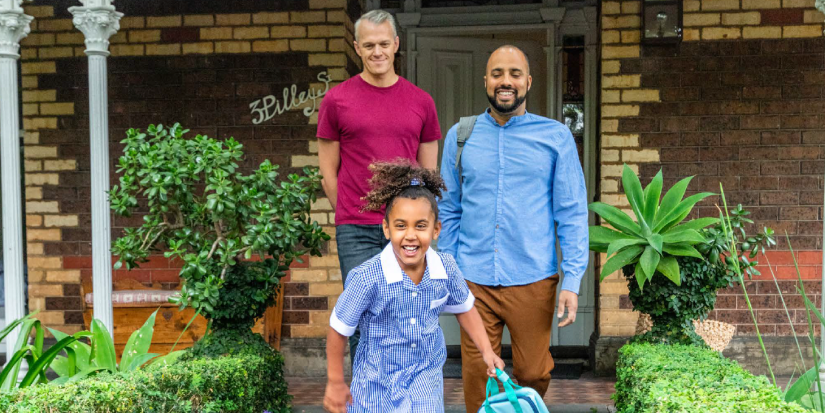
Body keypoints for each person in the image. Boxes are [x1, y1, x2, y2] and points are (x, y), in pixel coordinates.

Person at [438, 45, 590, 413]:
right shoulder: (460, 136)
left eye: (515, 74)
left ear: (528, 82)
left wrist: (571, 279)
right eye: (497, 74)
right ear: (485, 80)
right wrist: (449, 269)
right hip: (474, 279)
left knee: (533, 373)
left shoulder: (555, 137)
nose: (506, 81)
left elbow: (571, 212)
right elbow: (449, 209)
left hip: (533, 278)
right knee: (478, 375)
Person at [323, 160, 504, 413]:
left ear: (436, 230)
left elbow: (465, 310)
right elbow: (339, 329)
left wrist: (487, 351)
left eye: (421, 226)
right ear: (386, 229)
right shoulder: (367, 278)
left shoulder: (446, 268)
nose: (410, 235)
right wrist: (335, 381)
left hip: (424, 377)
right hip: (376, 384)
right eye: (400, 226)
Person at [316, 9, 441, 361]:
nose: (377, 52)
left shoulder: (421, 101)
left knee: (409, 313)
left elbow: (428, 178)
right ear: (357, 47)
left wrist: (420, 225)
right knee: (361, 319)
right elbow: (328, 173)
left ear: (396, 44)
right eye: (369, 45)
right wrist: (351, 212)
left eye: (384, 44)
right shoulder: (336, 100)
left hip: (408, 230)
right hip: (357, 229)